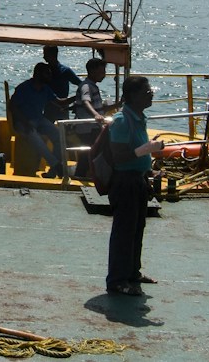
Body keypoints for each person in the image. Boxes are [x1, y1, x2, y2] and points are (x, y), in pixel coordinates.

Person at [107, 74, 166, 296]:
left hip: (138, 179)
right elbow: (118, 156)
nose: (151, 94)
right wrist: (146, 150)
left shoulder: (139, 118)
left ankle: (132, 272)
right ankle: (117, 280)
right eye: (146, 92)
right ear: (132, 96)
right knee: (124, 231)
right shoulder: (122, 120)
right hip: (125, 182)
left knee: (137, 228)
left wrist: (149, 169)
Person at [10, 62, 62, 175]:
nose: (50, 76)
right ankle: (56, 165)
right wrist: (25, 122)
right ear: (38, 74)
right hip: (22, 122)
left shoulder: (46, 89)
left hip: (39, 120)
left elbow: (59, 103)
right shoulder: (23, 88)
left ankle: (53, 171)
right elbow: (13, 107)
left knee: (58, 134)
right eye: (47, 73)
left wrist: (76, 98)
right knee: (33, 134)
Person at [72, 58, 110, 175]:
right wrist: (96, 115)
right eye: (101, 71)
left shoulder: (93, 86)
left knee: (90, 152)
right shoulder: (86, 86)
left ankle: (85, 174)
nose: (104, 75)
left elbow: (100, 108)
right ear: (92, 71)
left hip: (93, 127)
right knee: (88, 153)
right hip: (87, 128)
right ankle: (80, 175)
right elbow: (86, 101)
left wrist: (118, 104)